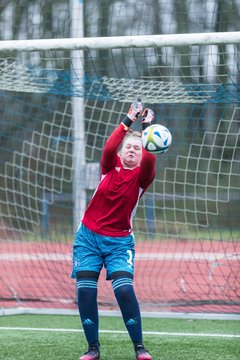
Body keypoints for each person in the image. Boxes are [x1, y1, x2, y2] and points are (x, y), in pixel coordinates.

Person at [72, 101, 156, 360]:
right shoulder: (110, 166)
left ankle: (139, 347)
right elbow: (109, 147)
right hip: (88, 237)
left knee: (123, 289)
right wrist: (128, 120)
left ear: (142, 154)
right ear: (121, 153)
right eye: (128, 146)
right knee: (85, 289)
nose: (132, 149)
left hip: (119, 242)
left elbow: (151, 158)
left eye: (137, 147)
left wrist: (147, 128)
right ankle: (93, 348)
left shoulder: (142, 177)